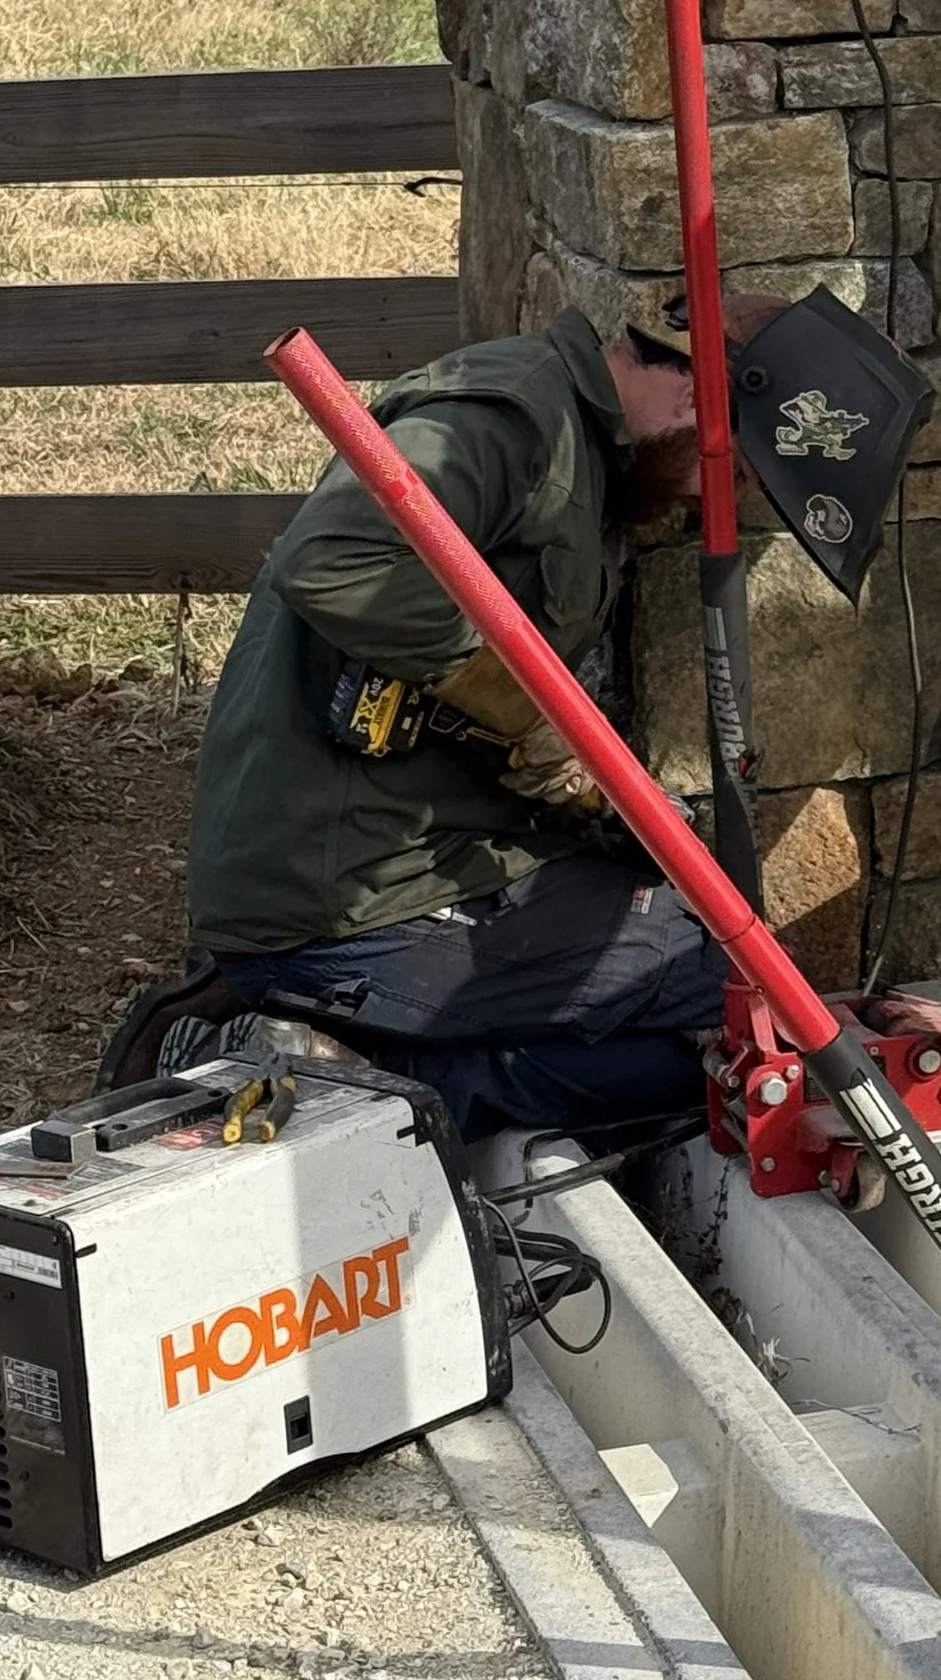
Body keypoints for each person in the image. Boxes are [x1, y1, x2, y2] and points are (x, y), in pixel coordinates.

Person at [171, 299, 754, 1142]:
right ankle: (334, 1076)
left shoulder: (588, 459)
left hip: (407, 864)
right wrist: (522, 708)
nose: (713, 500)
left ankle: (349, 1041)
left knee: (695, 1049)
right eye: (732, 473)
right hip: (346, 897)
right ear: (701, 404)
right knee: (711, 978)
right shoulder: (514, 422)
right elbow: (333, 562)